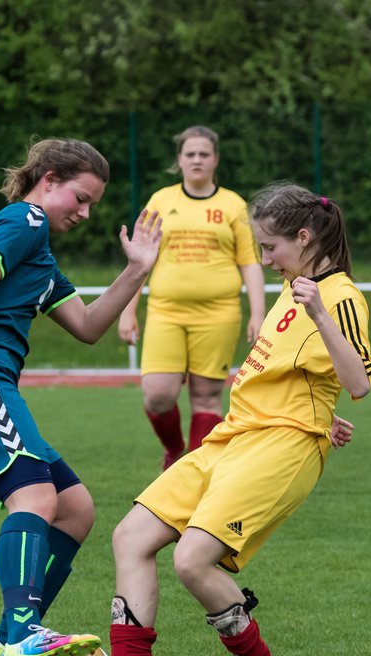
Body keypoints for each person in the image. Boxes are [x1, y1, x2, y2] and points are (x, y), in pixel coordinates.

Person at [106, 182, 371, 656]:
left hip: (281, 447)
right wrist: (322, 407)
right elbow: (301, 372)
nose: (264, 259)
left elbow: (361, 381)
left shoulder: (338, 296)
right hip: (235, 435)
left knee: (191, 560)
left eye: (270, 247)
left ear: (303, 237)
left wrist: (320, 319)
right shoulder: (296, 285)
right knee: (130, 535)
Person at [0, 138, 163, 656]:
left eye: (93, 206)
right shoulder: (25, 219)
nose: (84, 213)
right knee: (35, 496)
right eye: (80, 199)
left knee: (75, 509)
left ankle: (7, 638)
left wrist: (137, 272)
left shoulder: (41, 258)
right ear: (49, 179)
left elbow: (87, 325)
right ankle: (25, 635)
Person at [118, 126, 267, 469]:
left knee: (206, 397)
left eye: (204, 154)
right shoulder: (161, 201)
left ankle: (192, 473)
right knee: (157, 395)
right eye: (190, 154)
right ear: (179, 160)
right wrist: (128, 312)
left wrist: (258, 314)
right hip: (165, 312)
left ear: (215, 159)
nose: (197, 160)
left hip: (219, 314)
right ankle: (174, 449)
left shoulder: (233, 205)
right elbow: (140, 259)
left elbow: (250, 263)